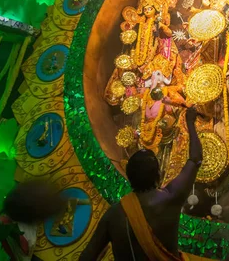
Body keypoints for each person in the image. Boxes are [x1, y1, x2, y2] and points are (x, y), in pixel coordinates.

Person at [80, 107, 203, 261]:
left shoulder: (114, 215)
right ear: (158, 176)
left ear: (130, 179)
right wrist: (190, 123)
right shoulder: (171, 198)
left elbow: (88, 256)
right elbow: (195, 159)